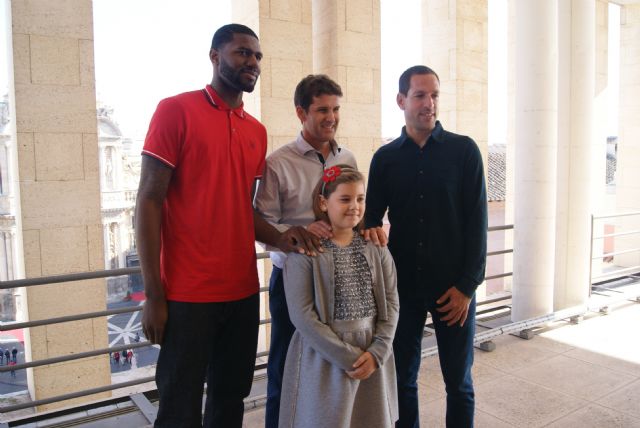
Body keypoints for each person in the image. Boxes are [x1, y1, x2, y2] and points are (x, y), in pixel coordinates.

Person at [136, 23, 318, 428]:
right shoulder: (175, 110)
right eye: (242, 52)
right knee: (179, 408)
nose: (252, 61)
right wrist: (154, 294)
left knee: (229, 402)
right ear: (215, 56)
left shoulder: (256, 131)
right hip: (186, 294)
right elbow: (148, 200)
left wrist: (282, 238)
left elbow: (240, 210)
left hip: (241, 292)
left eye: (258, 56)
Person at [365, 65, 487, 428]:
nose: (429, 103)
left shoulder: (464, 151)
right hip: (403, 288)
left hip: (454, 289)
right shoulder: (385, 158)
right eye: (420, 95)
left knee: (459, 383)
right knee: (402, 380)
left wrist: (467, 287)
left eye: (434, 95)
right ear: (401, 100)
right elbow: (369, 218)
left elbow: (477, 223)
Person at [254, 74, 361, 427]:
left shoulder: (348, 158)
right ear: (301, 113)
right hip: (293, 282)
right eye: (322, 110)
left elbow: (355, 210)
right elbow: (262, 223)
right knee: (284, 370)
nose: (331, 117)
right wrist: (295, 234)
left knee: (333, 368)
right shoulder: (278, 163)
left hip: (340, 279)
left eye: (336, 109)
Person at [279, 165, 399, 428]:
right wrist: (348, 358)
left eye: (360, 198)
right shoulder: (306, 254)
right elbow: (302, 315)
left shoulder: (377, 248)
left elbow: (391, 304)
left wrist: (378, 351)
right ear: (324, 203)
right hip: (324, 357)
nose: (354, 206)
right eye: (345, 199)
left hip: (371, 354)